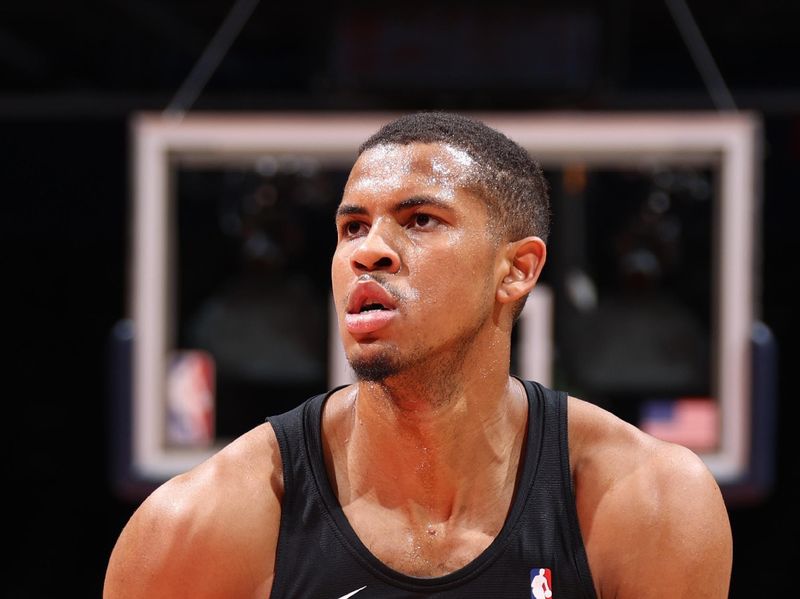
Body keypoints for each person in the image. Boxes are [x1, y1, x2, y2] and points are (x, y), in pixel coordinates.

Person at [104, 112, 733, 598]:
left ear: (516, 271)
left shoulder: (650, 504)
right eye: (352, 227)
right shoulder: (198, 526)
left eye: (421, 219)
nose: (368, 251)